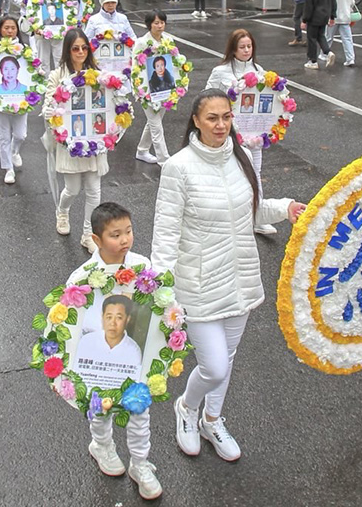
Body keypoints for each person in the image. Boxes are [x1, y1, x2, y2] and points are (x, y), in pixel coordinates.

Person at [153, 90, 305, 463]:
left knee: (228, 359)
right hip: (199, 285)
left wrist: (285, 208)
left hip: (241, 278)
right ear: (196, 121)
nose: (221, 125)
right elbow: (166, 234)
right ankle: (187, 407)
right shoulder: (178, 167)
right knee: (214, 366)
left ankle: (212, 419)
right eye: (212, 118)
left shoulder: (241, 158)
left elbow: (251, 212)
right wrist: (161, 289)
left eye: (226, 117)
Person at [65, 202, 161, 498]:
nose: (124, 240)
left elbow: (157, 304)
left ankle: (140, 463)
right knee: (101, 407)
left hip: (131, 355)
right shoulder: (83, 276)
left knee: (138, 408)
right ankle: (102, 445)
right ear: (96, 239)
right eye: (115, 235)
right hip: (96, 356)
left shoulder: (142, 266)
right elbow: (70, 318)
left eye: (128, 232)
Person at [205, 29, 278, 237]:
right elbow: (205, 97)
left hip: (253, 134)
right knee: (227, 175)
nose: (246, 50)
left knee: (255, 173)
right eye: (242, 47)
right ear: (233, 49)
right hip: (227, 134)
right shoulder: (220, 71)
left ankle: (258, 218)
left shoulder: (260, 71)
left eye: (249, 46)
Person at [43, 28, 110, 250]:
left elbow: (109, 103)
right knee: (72, 189)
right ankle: (62, 211)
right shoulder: (57, 75)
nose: (80, 52)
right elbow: (47, 106)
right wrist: (52, 109)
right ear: (67, 50)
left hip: (94, 141)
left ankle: (88, 235)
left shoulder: (98, 74)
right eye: (75, 48)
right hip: (70, 142)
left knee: (94, 190)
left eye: (84, 48)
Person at [0, 16, 29, 184]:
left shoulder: (25, 51)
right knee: (3, 135)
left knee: (21, 135)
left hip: (20, 100)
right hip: (0, 101)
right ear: (0, 30)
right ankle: (8, 169)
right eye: (6, 28)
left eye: (13, 28)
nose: (10, 31)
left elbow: (33, 71)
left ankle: (14, 151)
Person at [133, 11, 174, 165]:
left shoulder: (168, 40)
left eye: (162, 22)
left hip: (164, 87)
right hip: (147, 89)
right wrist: (139, 90)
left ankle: (142, 150)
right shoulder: (142, 42)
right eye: (156, 23)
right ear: (149, 24)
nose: (160, 26)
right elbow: (135, 67)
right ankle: (164, 160)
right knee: (156, 125)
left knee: (154, 122)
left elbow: (174, 62)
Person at [302, 0, 336, 70]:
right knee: (321, 35)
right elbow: (333, 1)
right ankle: (328, 52)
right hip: (325, 15)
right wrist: (332, 16)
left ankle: (313, 61)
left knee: (311, 38)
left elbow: (309, 5)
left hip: (314, 16)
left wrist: (304, 19)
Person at [326, 0, 356, 67]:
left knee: (328, 37)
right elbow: (352, 2)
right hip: (345, 17)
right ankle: (350, 58)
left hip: (333, 18)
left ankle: (324, 54)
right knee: (347, 39)